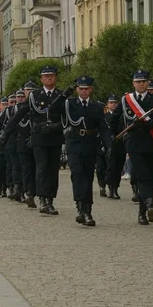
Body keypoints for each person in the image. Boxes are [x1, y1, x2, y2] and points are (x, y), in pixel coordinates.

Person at [51, 75, 112, 225]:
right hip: (74, 143)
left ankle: (88, 210)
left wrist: (109, 145)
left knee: (88, 176)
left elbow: (103, 128)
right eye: (81, 89)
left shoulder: (97, 106)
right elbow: (52, 111)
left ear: (91, 90)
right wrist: (64, 94)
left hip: (90, 143)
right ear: (77, 89)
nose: (83, 91)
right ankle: (80, 208)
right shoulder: (69, 104)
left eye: (86, 89)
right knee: (77, 174)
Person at [112, 70, 153, 226]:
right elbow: (115, 119)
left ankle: (147, 207)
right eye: (138, 81)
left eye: (144, 81)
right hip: (134, 142)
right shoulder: (126, 100)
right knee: (141, 175)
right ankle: (147, 205)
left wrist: (149, 124)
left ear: (148, 83)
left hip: (152, 142)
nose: (141, 84)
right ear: (133, 83)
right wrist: (116, 137)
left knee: (152, 177)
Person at [27, 66, 64, 214]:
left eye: (52, 75)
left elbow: (65, 117)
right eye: (46, 76)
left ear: (56, 78)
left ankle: (50, 199)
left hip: (54, 136)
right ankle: (42, 198)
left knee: (53, 169)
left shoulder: (61, 95)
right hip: (40, 136)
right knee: (42, 167)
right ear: (41, 79)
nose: (49, 78)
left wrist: (56, 126)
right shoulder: (35, 95)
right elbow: (30, 114)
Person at [102, 95, 124, 199]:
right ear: (107, 105)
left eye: (115, 102)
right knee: (111, 167)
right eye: (111, 102)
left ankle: (116, 187)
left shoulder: (122, 116)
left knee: (119, 167)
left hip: (120, 143)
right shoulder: (104, 117)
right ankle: (111, 188)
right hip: (109, 144)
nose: (113, 104)